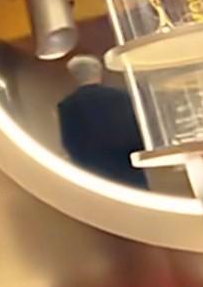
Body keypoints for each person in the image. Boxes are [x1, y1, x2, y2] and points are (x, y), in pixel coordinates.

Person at [57, 55, 149, 189]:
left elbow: (71, 143)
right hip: (127, 167)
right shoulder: (122, 97)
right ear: (99, 72)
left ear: (74, 75)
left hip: (94, 173)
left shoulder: (68, 105)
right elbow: (137, 131)